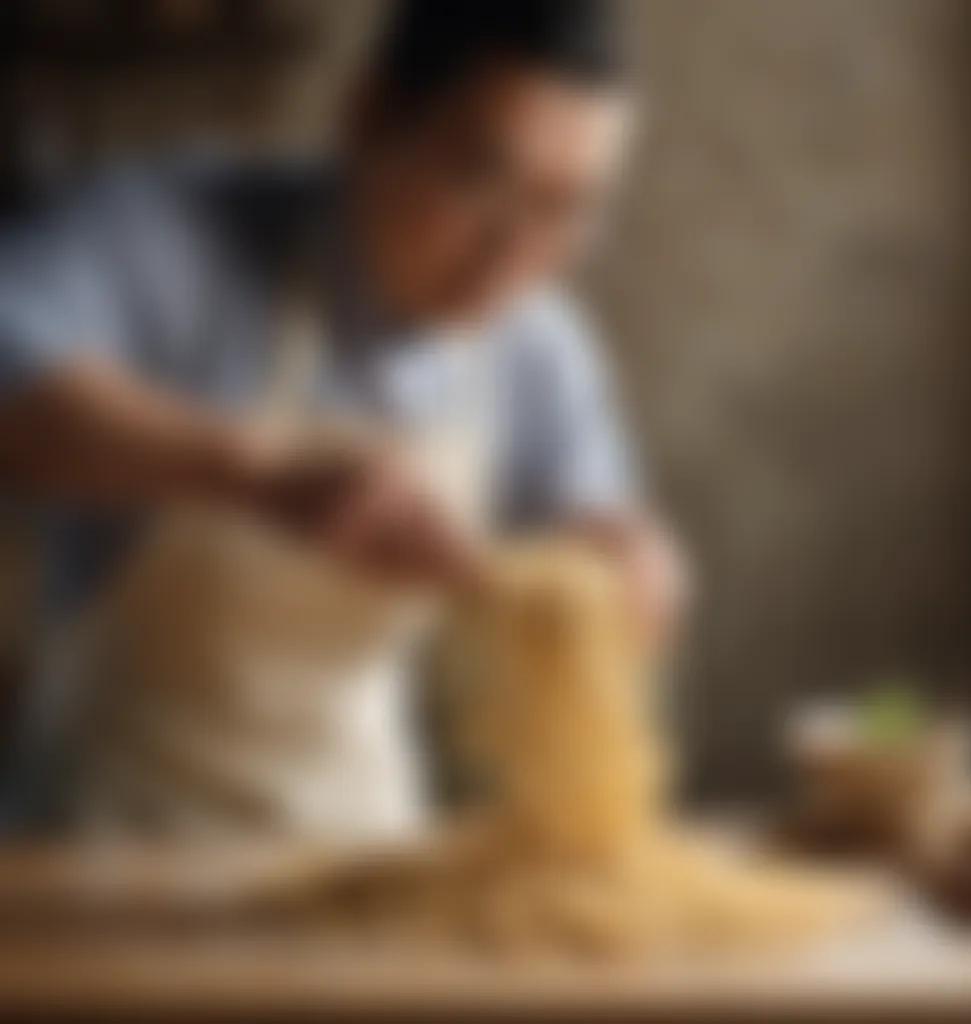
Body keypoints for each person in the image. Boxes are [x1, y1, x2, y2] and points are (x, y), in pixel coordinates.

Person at [0, 0, 681, 832]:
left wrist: (629, 563)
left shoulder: (534, 341)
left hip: (355, 843)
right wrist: (256, 472)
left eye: (566, 207)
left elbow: (599, 524)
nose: (513, 251)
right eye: (481, 180)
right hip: (107, 852)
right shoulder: (167, 232)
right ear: (367, 116)